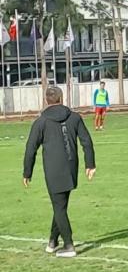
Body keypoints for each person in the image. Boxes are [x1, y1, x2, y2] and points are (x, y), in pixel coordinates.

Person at [22, 86, 96, 258]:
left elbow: (30, 149)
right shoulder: (75, 117)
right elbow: (87, 141)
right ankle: (52, 241)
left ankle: (69, 245)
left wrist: (27, 173)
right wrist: (90, 164)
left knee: (59, 207)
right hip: (71, 168)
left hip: (53, 170)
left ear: (46, 101)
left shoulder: (40, 122)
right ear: (61, 99)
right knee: (60, 206)